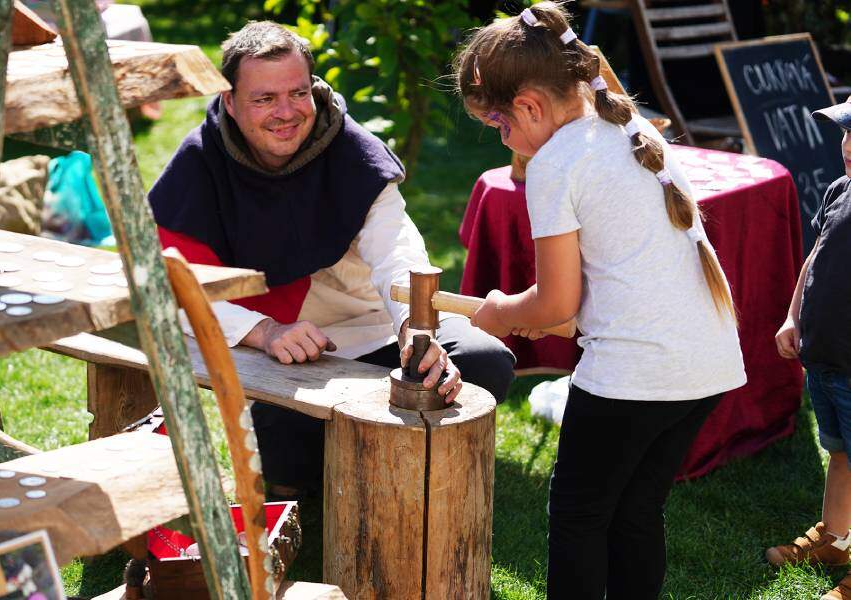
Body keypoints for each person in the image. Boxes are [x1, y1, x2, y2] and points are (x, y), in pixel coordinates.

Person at [148, 21, 515, 498]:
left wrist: (414, 327)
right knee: (284, 449)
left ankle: (406, 463)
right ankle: (374, 462)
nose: (286, 113)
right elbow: (170, 284)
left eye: (298, 93)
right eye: (264, 99)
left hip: (375, 327)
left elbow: (396, 251)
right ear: (230, 102)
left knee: (484, 362)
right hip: (284, 350)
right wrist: (264, 332)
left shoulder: (352, 153)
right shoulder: (198, 165)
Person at [454, 3, 746, 598]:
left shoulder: (558, 162)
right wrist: (531, 311)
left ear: (530, 104)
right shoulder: (627, 126)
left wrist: (499, 312)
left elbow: (557, 307)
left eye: (498, 125)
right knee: (638, 512)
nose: (503, 139)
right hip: (707, 362)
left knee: (579, 519)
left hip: (635, 372)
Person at [770, 96, 851, 600]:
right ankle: (836, 539)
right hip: (824, 360)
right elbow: (815, 258)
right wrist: (792, 315)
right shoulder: (840, 189)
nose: (847, 145)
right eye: (845, 133)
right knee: (840, 453)